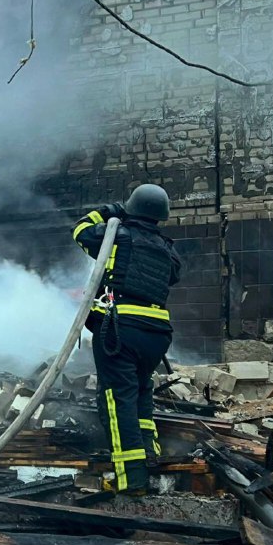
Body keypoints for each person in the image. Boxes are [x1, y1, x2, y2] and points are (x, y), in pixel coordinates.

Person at [71, 184, 181, 495]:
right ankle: (149, 454)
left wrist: (110, 211)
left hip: (121, 330)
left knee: (117, 402)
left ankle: (131, 478)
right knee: (140, 393)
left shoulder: (114, 235)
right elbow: (172, 277)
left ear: (130, 208)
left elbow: (79, 230)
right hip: (158, 334)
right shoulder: (168, 249)